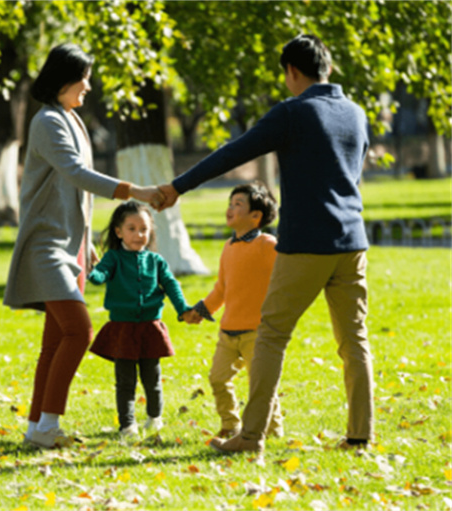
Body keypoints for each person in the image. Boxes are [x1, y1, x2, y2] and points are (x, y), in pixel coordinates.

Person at [156, 34, 374, 453]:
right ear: (327, 67)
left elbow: (232, 153)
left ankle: (250, 436)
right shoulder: (357, 113)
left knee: (271, 334)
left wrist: (179, 186)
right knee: (355, 340)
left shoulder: (292, 113)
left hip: (307, 243)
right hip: (353, 244)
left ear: (292, 71)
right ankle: (360, 436)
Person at [3, 43, 162, 449]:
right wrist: (136, 190)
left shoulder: (72, 119)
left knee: (54, 342)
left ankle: (38, 428)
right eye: (83, 78)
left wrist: (87, 242)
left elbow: (77, 195)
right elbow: (77, 174)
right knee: (80, 330)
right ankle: (47, 426)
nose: (88, 85)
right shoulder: (47, 122)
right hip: (45, 246)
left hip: (70, 247)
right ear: (63, 79)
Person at [87, 201, 195, 438]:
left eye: (144, 229)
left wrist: (183, 309)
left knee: (152, 378)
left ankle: (155, 418)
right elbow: (99, 275)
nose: (139, 234)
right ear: (118, 231)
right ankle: (127, 425)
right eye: (132, 228)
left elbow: (171, 285)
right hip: (123, 329)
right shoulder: (113, 258)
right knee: (125, 381)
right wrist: (91, 270)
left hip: (150, 329)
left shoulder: (156, 261)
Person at [188, 182, 283, 440]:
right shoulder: (228, 247)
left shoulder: (267, 244)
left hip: (257, 332)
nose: (230, 209)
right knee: (218, 379)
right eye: (230, 204)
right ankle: (230, 424)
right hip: (228, 332)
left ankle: (273, 430)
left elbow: (285, 276)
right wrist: (201, 309)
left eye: (237, 204)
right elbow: (221, 289)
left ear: (256, 216)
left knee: (260, 386)